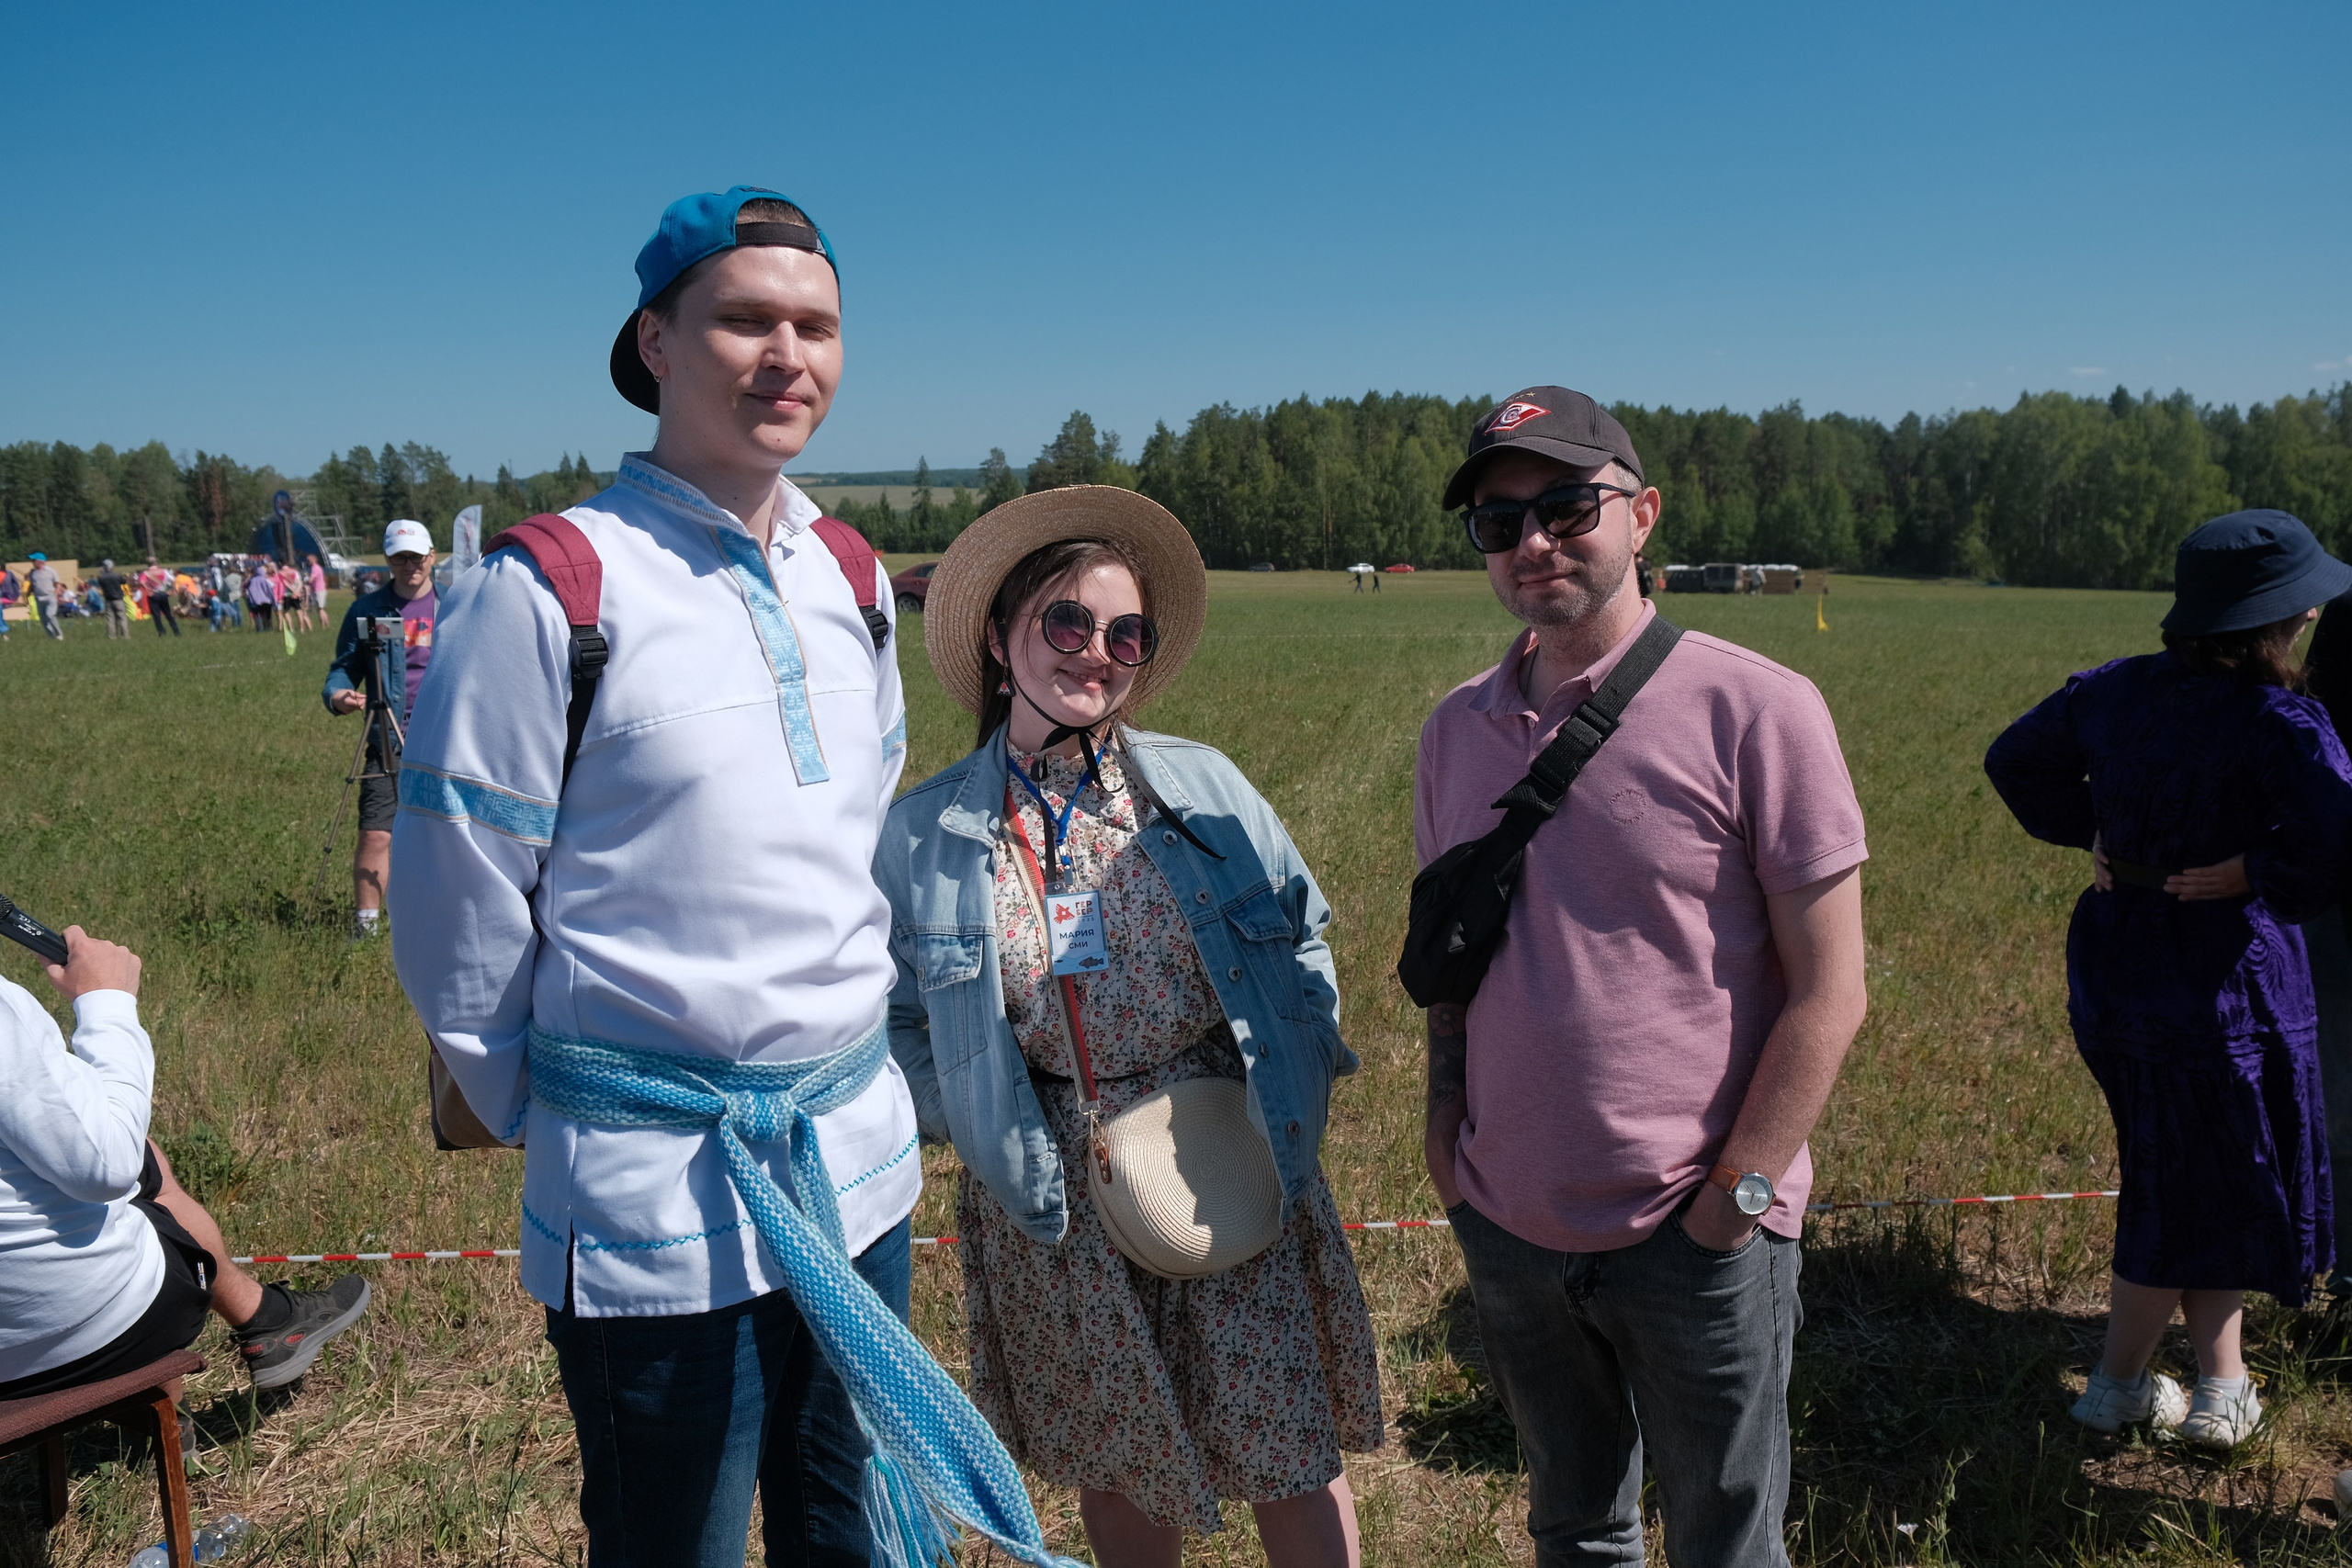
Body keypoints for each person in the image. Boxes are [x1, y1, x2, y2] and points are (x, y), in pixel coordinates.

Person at [393, 186, 1045, 1568]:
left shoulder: (853, 575)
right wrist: (563, 1108)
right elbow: (456, 892)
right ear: (655, 342)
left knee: (848, 1524)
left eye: (815, 325)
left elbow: (861, 820)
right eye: (745, 318)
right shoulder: (551, 586)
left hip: (855, 1161)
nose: (784, 354)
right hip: (652, 1191)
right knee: (673, 1541)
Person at [876, 489, 1383, 1567]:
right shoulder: (921, 836)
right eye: (1065, 622)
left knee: (1287, 1445)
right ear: (999, 639)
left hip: (1219, 1149)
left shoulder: (1201, 787)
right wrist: (972, 1115)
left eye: (1123, 633)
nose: (1094, 653)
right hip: (1046, 1187)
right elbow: (895, 1020)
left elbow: (1305, 940)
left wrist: (1280, 1090)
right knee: (1120, 1462)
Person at [1415, 388, 1869, 1568]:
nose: (1532, 544)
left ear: (1642, 515)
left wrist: (1739, 1204)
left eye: (1567, 508)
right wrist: (1444, 1138)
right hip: (1509, 1224)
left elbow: (1832, 991)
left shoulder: (1758, 710)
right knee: (1573, 1529)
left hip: (1695, 1232)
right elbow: (1449, 956)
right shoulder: (1454, 731)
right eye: (1499, 522)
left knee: (1723, 1543)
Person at [1986, 509, 2352, 1449]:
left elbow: (2014, 759)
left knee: (2197, 1168)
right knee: (2179, 1178)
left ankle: (2221, 1381)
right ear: (2284, 620)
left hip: (2115, 963)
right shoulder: (2283, 722)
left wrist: (2095, 830)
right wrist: (2256, 875)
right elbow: (2336, 843)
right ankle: (2113, 1385)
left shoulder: (2113, 692)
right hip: (2223, 979)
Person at [0, 925, 372, 1408]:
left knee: (143, 1156)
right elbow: (105, 1165)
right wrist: (105, 1003)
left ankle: (263, 1320)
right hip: (88, 1337)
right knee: (139, 1171)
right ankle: (254, 1330)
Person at [323, 521, 437, 941]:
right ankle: (365, 929)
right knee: (375, 832)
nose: (409, 565)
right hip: (386, 740)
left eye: (417, 556)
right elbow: (344, 669)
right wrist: (338, 695)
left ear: (433, 556)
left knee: (444, 837)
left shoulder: (454, 606)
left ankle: (434, 918)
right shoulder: (367, 611)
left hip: (444, 741)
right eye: (399, 558)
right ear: (388, 560)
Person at [140, 556, 181, 637]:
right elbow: (174, 580)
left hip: (153, 595)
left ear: (147, 564)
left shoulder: (145, 573)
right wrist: (172, 590)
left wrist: (148, 589)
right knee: (168, 614)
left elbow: (141, 582)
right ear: (156, 563)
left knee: (156, 615)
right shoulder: (164, 571)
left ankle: (162, 632)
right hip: (163, 594)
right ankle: (177, 632)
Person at [94, 558, 131, 639]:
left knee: (110, 619)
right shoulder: (117, 576)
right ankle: (125, 636)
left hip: (108, 600)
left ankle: (112, 636)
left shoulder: (101, 577)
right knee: (122, 618)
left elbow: (100, 584)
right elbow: (124, 581)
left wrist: (102, 573)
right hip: (118, 600)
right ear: (111, 567)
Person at [28, 553, 62, 638]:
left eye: (34, 560)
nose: (32, 562)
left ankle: (59, 634)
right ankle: (50, 636)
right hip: (39, 598)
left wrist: (55, 595)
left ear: (40, 561)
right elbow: (32, 585)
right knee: (43, 619)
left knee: (50, 615)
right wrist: (28, 594)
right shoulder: (32, 573)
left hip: (50, 596)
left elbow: (57, 585)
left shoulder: (51, 571)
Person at [245, 558, 277, 630]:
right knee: (268, 615)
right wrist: (273, 600)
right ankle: (268, 628)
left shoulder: (252, 580)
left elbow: (250, 589)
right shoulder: (265, 580)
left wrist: (253, 599)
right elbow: (270, 590)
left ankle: (259, 629)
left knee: (258, 615)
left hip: (257, 601)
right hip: (267, 600)